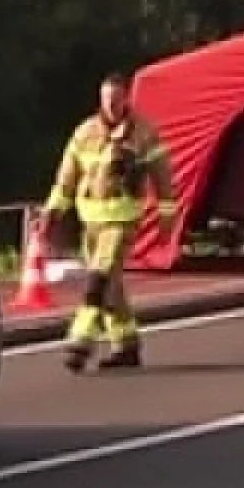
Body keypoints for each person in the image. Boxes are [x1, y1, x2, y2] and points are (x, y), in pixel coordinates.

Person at [41, 71, 178, 372]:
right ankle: (126, 344)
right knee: (111, 284)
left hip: (122, 220)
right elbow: (67, 178)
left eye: (116, 99)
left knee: (99, 280)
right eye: (106, 100)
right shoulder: (85, 133)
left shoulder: (143, 134)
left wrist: (168, 217)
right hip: (90, 220)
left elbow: (164, 178)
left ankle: (80, 340)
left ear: (126, 98)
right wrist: (52, 211)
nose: (111, 105)